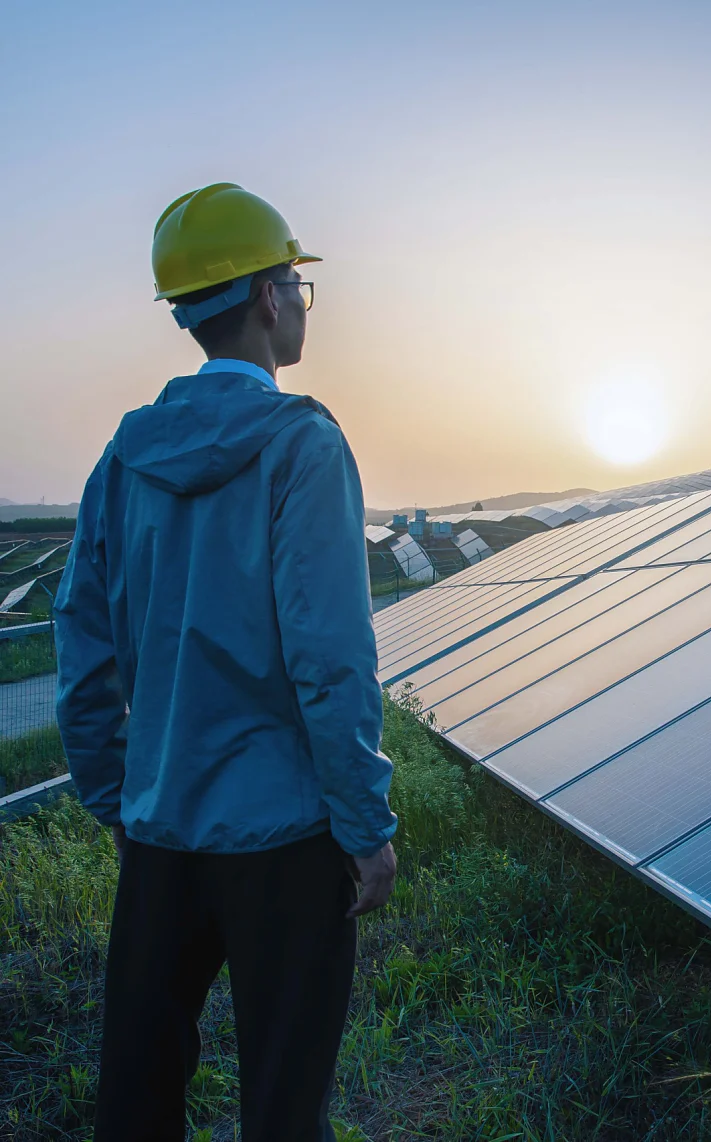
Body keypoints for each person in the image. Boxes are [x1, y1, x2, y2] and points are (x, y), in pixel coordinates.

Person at [53, 182, 398, 1142]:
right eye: (296, 281)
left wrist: (113, 798)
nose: (298, 302)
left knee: (136, 1098)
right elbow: (328, 658)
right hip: (284, 840)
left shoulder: (125, 455)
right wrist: (365, 826)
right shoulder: (301, 443)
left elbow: (80, 641)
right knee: (284, 1108)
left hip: (158, 831)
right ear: (265, 298)